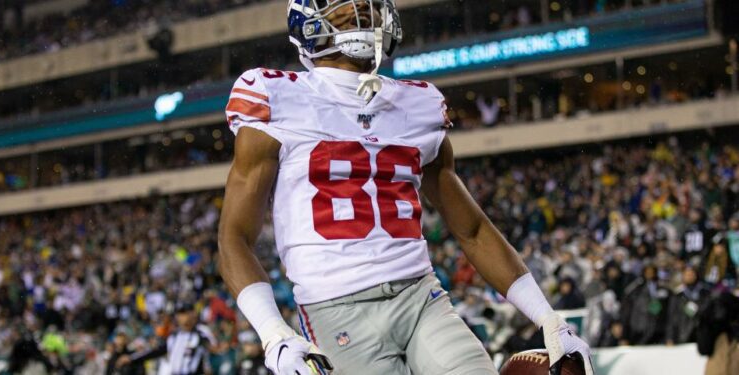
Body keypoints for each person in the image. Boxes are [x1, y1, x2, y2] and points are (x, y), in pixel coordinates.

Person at [218, 1, 594, 374]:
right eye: (342, 7)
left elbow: (473, 229)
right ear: (307, 21)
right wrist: (273, 334)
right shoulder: (276, 97)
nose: (360, 11)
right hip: (334, 308)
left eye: (365, 5)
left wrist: (548, 317)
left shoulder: (418, 104)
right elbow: (234, 236)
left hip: (421, 296)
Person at [115, 304, 217, 375]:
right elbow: (155, 352)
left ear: (193, 313)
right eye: (179, 313)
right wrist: (131, 358)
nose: (181, 316)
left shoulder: (201, 333)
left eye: (184, 312)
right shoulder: (174, 337)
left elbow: (211, 351)